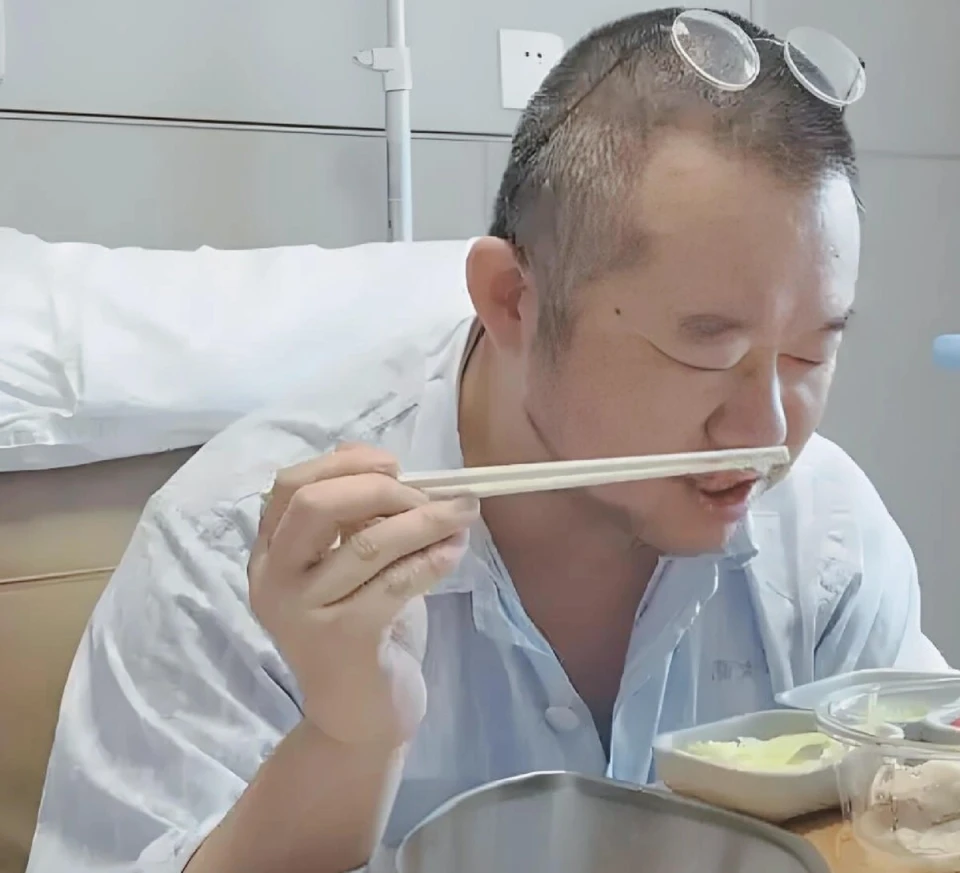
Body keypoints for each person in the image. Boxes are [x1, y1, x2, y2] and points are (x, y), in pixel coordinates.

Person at [28, 8, 948, 873]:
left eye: (809, 353)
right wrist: (347, 740)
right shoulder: (229, 549)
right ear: (512, 300)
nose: (768, 431)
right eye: (705, 349)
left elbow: (918, 799)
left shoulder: (823, 536)